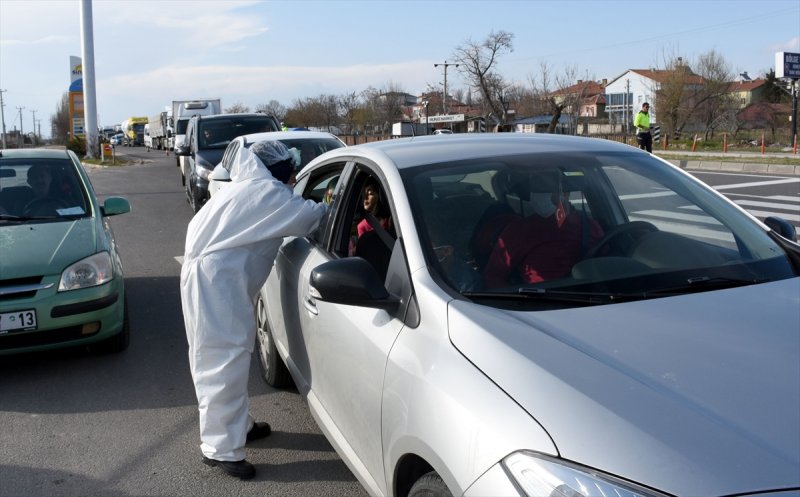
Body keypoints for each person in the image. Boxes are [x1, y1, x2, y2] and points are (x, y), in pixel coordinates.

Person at [180, 140, 328, 480]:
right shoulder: (269, 193)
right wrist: (326, 204)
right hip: (216, 281)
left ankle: (237, 426)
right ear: (279, 171)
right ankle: (220, 449)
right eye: (290, 175)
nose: (292, 182)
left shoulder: (249, 182)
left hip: (215, 276)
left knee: (230, 357)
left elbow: (240, 158)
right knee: (221, 360)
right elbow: (310, 217)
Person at [483, 172, 604, 288]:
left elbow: (607, 265)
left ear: (565, 192)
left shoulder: (590, 227)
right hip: (536, 302)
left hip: (588, 300)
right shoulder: (519, 230)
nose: (540, 194)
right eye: (536, 188)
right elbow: (493, 276)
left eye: (546, 187)